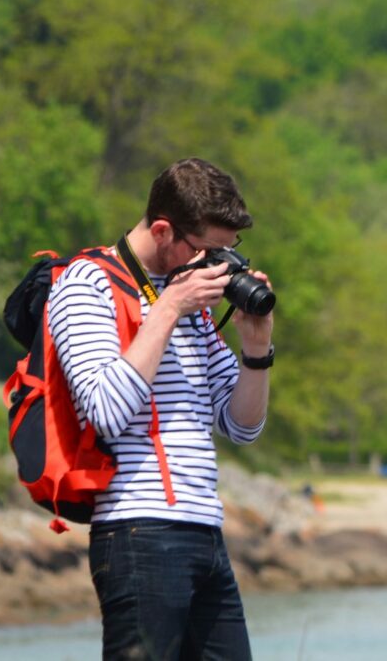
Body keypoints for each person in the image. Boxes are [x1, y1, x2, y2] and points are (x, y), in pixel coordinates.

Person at [47, 158, 273, 660]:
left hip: (204, 530)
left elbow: (241, 426)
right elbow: (105, 409)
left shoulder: (191, 301)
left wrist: (257, 349)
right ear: (164, 230)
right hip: (137, 531)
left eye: (227, 254)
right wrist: (168, 307)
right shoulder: (86, 284)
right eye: (207, 251)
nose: (216, 267)